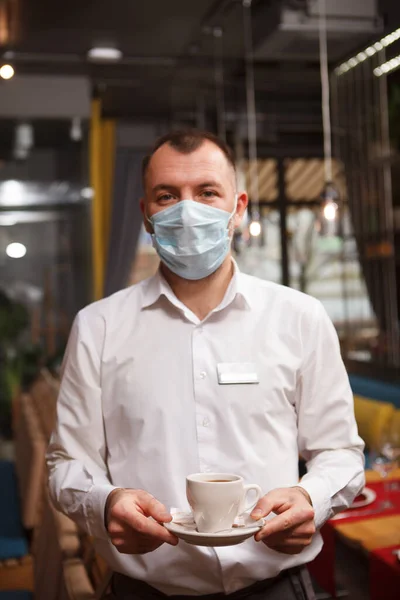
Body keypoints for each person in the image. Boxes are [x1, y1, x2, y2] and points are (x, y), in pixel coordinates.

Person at [47, 129, 365, 600]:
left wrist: (310, 499)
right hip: (143, 589)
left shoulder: (299, 317)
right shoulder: (98, 327)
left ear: (238, 208)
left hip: (276, 586)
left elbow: (340, 451)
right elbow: (66, 463)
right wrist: (106, 502)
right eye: (167, 195)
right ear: (146, 216)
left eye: (207, 192)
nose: (187, 210)